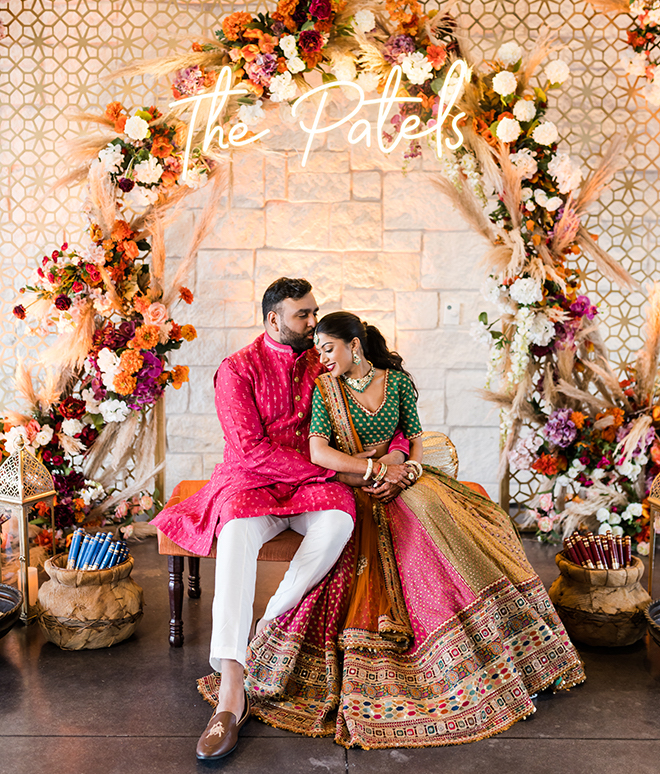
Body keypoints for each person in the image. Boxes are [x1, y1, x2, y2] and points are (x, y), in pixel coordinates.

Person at [199, 310, 586, 750]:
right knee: (261, 531)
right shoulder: (317, 382)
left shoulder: (392, 381)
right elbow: (316, 450)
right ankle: (243, 664)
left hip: (400, 479)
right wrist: (370, 470)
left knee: (445, 530)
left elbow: (410, 432)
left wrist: (404, 465)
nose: (319, 348)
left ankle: (495, 645)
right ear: (274, 317)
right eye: (306, 320)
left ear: (354, 346)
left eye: (327, 342)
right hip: (336, 481)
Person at [153, 281, 412, 761]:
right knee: (233, 534)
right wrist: (340, 468)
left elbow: (379, 399)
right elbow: (250, 451)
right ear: (274, 320)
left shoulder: (324, 361)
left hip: (313, 484)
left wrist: (384, 454)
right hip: (253, 484)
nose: (314, 323)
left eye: (315, 313)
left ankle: (267, 629)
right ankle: (232, 689)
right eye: (303, 316)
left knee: (339, 520)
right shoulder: (237, 370)